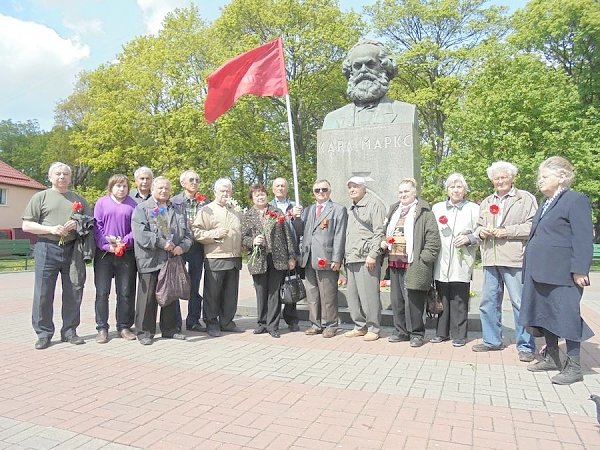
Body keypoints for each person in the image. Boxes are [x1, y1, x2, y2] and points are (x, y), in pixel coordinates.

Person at [520, 156, 594, 385]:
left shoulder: (575, 200)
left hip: (562, 272)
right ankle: (552, 357)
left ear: (562, 177)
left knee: (566, 315)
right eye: (539, 177)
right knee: (544, 314)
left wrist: (580, 269)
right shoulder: (546, 202)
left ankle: (573, 367)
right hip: (539, 271)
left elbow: (583, 237)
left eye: (544, 176)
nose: (539, 181)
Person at [22, 162, 92, 349]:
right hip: (47, 247)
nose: (62, 177)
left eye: (66, 174)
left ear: (70, 177)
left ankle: (69, 331)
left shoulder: (79, 199)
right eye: (58, 174)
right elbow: (26, 225)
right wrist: (51, 229)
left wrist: (77, 226)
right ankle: (43, 333)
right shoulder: (41, 197)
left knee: (73, 291)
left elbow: (89, 224)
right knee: (43, 292)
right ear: (50, 177)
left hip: (72, 250)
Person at [473, 161, 537, 362]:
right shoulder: (486, 201)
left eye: (504, 177)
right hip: (490, 258)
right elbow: (477, 227)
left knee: (519, 302)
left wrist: (507, 231)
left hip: (514, 258)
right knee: (488, 301)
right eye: (497, 178)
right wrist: (480, 232)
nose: (500, 181)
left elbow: (533, 226)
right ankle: (492, 340)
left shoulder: (525, 198)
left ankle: (525, 345)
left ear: (512, 178)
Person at [131, 176, 192, 345]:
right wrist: (161, 243)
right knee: (147, 298)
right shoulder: (142, 209)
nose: (164, 191)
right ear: (152, 190)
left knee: (170, 295)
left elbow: (187, 234)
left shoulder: (178, 210)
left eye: (167, 188)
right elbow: (141, 234)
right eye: (160, 188)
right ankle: (144, 332)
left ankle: (170, 329)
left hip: (171, 259)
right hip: (150, 259)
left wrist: (182, 247)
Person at [382, 178, 440, 347]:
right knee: (397, 300)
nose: (403, 195)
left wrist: (423, 260)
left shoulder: (424, 212)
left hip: (414, 263)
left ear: (414, 193)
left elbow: (433, 240)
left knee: (413, 301)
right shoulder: (394, 211)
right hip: (394, 262)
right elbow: (383, 231)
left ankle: (417, 334)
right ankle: (400, 331)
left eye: (406, 191)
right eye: (400, 192)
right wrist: (383, 241)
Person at [431, 173, 480, 347]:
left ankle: (459, 334)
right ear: (447, 190)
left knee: (459, 298)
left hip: (462, 258)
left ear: (465, 190)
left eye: (459, 186)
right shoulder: (437, 208)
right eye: (452, 187)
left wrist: (470, 238)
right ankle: (441, 332)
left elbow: (481, 231)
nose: (455, 190)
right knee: (442, 296)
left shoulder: (474, 208)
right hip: (442, 258)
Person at [322, 40, 416, 129]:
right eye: (357, 66)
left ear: (384, 68)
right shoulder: (332, 119)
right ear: (350, 72)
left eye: (370, 64)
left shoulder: (406, 112)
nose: (363, 70)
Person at [242, 183, 296, 338]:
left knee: (274, 292)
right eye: (257, 195)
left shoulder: (276, 212)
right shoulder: (248, 215)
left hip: (277, 258)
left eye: (262, 194)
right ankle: (262, 323)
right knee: (260, 292)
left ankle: (273, 325)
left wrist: (291, 256)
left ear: (267, 196)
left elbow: (287, 235)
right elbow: (243, 237)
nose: (260, 197)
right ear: (252, 198)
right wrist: (253, 241)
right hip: (259, 259)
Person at [193, 178, 244, 337]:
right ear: (215, 192)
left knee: (231, 294)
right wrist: (215, 234)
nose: (225, 193)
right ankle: (211, 323)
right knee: (212, 294)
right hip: (216, 257)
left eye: (228, 191)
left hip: (234, 257)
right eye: (222, 191)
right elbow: (197, 232)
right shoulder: (207, 210)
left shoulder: (237, 210)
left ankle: (227, 322)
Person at [298, 179, 348, 338]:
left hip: (326, 258)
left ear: (330, 191)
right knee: (312, 294)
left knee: (328, 294)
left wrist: (337, 259)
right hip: (308, 257)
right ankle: (315, 324)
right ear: (313, 193)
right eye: (317, 190)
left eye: (324, 189)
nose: (321, 192)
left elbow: (340, 236)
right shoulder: (308, 210)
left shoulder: (338, 210)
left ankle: (331, 324)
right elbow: (302, 232)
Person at [93, 174, 138, 343]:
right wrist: (106, 244)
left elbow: (137, 227)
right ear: (111, 187)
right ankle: (102, 328)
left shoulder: (133, 204)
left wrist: (124, 242)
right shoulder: (101, 202)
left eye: (125, 186)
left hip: (126, 254)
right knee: (102, 292)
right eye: (118, 186)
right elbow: (97, 226)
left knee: (125, 292)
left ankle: (124, 326)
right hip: (104, 254)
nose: (122, 189)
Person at [343, 176, 386, 341]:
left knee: (369, 296)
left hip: (366, 257)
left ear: (364, 188)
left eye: (356, 187)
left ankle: (374, 327)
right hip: (352, 257)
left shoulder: (374, 204)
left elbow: (379, 232)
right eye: (350, 187)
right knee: (353, 296)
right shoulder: (351, 207)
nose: (352, 190)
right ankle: (359, 326)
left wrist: (373, 254)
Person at [171, 170, 208, 332]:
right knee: (176, 284)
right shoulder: (173, 202)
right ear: (182, 183)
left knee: (195, 284)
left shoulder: (205, 203)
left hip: (197, 247)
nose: (194, 182)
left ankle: (193, 320)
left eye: (197, 180)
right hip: (179, 247)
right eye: (191, 180)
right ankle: (176, 321)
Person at [269, 177, 300, 332]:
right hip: (274, 254)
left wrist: (296, 217)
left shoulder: (295, 206)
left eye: (283, 186)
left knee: (290, 285)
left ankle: (292, 319)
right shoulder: (268, 207)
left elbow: (300, 229)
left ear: (287, 189)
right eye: (277, 186)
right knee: (275, 289)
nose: (280, 188)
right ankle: (273, 321)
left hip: (291, 252)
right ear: (273, 189)